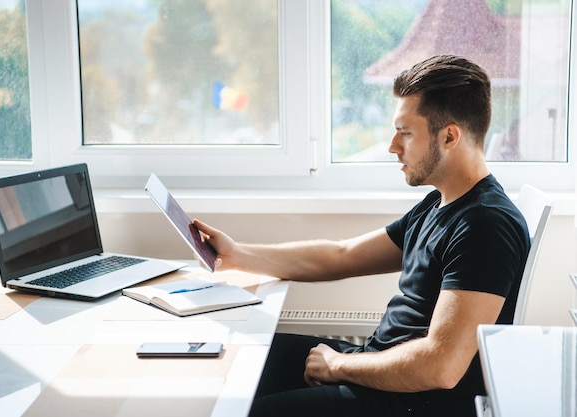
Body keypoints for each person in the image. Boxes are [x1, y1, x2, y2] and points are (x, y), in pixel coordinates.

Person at [194, 55, 530, 417]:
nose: (392, 146)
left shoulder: (485, 225)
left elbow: (441, 367)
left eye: (405, 133)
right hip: (380, 369)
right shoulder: (440, 203)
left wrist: (338, 365)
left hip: (415, 402)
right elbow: (342, 255)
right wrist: (237, 255)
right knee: (241, 360)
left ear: (449, 136)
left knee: (247, 409)